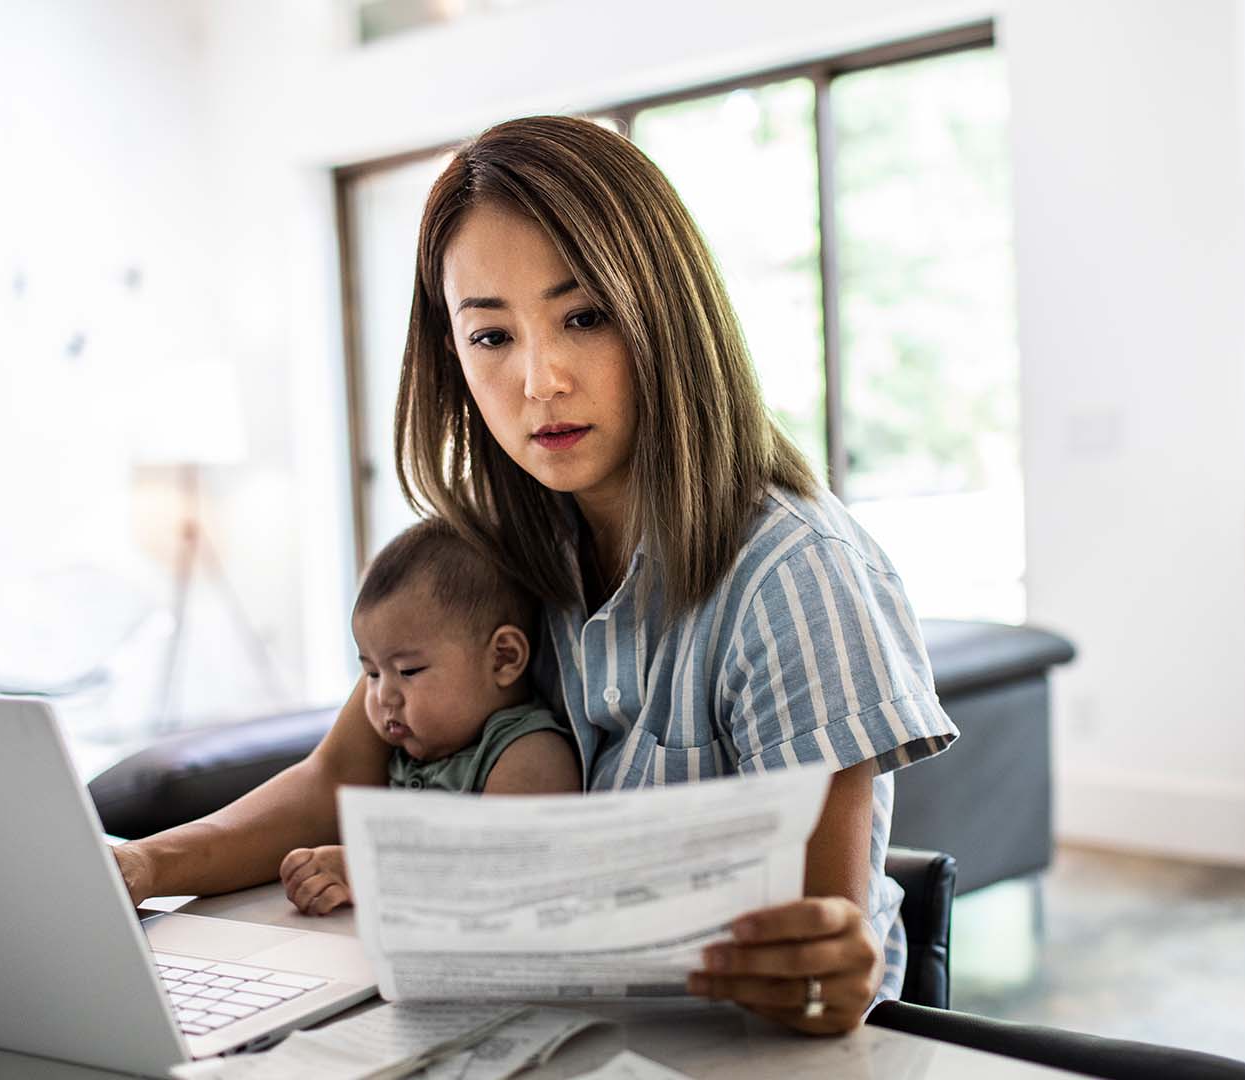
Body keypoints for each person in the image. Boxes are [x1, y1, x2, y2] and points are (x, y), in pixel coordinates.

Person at [113, 114, 958, 1035]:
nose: (540, 379)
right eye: (491, 337)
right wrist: (142, 867)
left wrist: (829, 966)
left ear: (666, 316)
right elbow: (337, 782)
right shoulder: (481, 552)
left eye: (584, 317)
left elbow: (816, 953)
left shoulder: (796, 576)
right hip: (523, 1029)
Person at [275, 517, 580, 913]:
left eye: (409, 671)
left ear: (504, 657)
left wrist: (364, 869)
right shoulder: (409, 752)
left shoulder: (528, 753)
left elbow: (505, 869)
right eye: (371, 673)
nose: (384, 695)